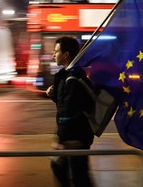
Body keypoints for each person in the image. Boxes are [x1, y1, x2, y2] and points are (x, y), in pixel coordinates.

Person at [46, 36, 94, 187]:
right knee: (78, 175)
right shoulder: (68, 76)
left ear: (66, 54)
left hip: (75, 137)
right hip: (75, 135)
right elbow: (66, 105)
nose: (53, 55)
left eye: (56, 51)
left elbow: (68, 112)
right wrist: (54, 96)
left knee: (75, 175)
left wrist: (62, 141)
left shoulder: (73, 79)